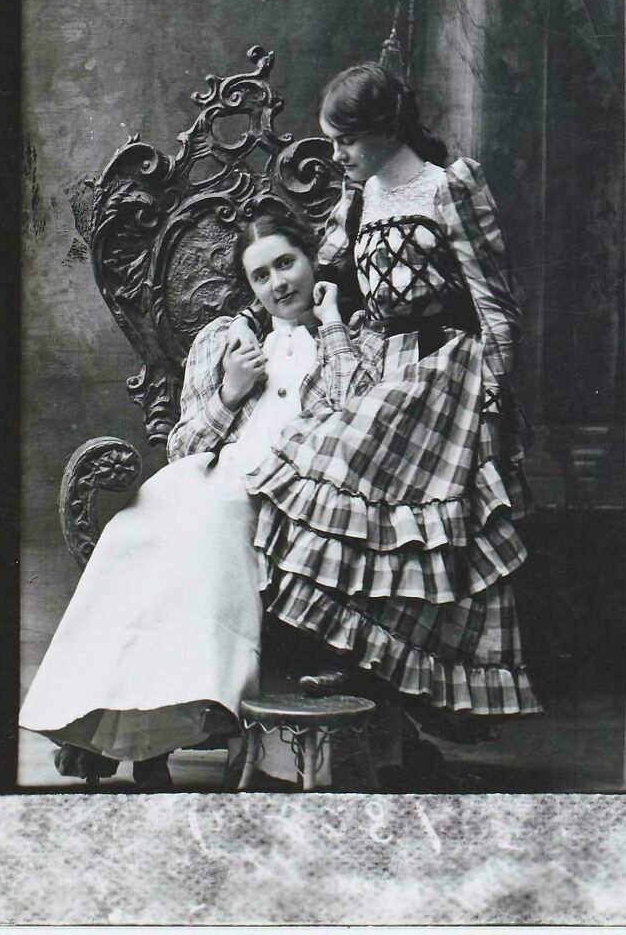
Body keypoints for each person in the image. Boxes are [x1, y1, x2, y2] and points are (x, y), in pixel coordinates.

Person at [230, 61, 541, 732]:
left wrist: (490, 402)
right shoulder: (361, 197)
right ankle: (371, 670)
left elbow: (497, 307)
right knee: (334, 486)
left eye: (344, 141)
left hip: (445, 372)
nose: (336, 154)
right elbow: (321, 272)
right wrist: (261, 319)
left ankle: (427, 695)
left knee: (430, 533)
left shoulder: (448, 188)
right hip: (382, 363)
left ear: (384, 129)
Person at [18, 213, 371, 790]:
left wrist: (330, 323)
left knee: (201, 534)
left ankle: (143, 737)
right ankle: (107, 728)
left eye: (286, 264)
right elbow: (182, 447)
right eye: (261, 275)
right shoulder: (227, 341)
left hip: (277, 489)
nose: (278, 283)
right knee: (134, 533)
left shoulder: (350, 338)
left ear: (312, 260)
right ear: (248, 286)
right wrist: (230, 391)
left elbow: (357, 417)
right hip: (204, 477)